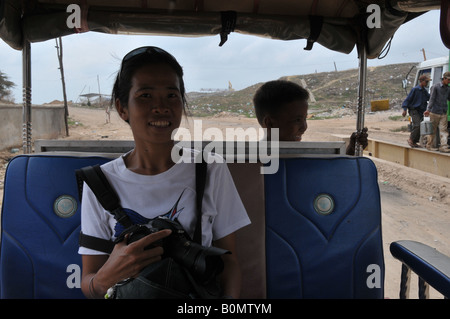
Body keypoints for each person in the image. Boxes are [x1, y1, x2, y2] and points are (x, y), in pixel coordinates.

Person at [78, 46, 250, 299]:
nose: (161, 107)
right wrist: (106, 278)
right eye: (145, 95)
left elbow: (230, 263)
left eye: (172, 95)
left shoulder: (210, 168)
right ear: (122, 108)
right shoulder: (99, 182)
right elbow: (90, 282)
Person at [252, 80, 368, 155]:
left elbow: (333, 172)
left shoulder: (306, 155)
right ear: (270, 124)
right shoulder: (251, 161)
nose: (304, 127)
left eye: (305, 119)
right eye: (297, 120)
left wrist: (352, 149)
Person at [401, 74, 431, 148]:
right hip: (414, 110)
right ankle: (411, 139)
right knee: (417, 125)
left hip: (421, 111)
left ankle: (414, 141)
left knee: (420, 126)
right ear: (421, 81)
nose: (427, 83)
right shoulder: (415, 90)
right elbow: (407, 100)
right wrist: (404, 109)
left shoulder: (424, 91)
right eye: (426, 81)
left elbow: (429, 98)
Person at [424, 72, 450, 152]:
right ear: (444, 78)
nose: (449, 81)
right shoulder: (435, 87)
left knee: (443, 130)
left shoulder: (448, 89)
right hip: (434, 112)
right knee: (432, 130)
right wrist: (428, 110)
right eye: (448, 80)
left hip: (443, 112)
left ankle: (443, 146)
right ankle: (429, 145)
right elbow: (432, 99)